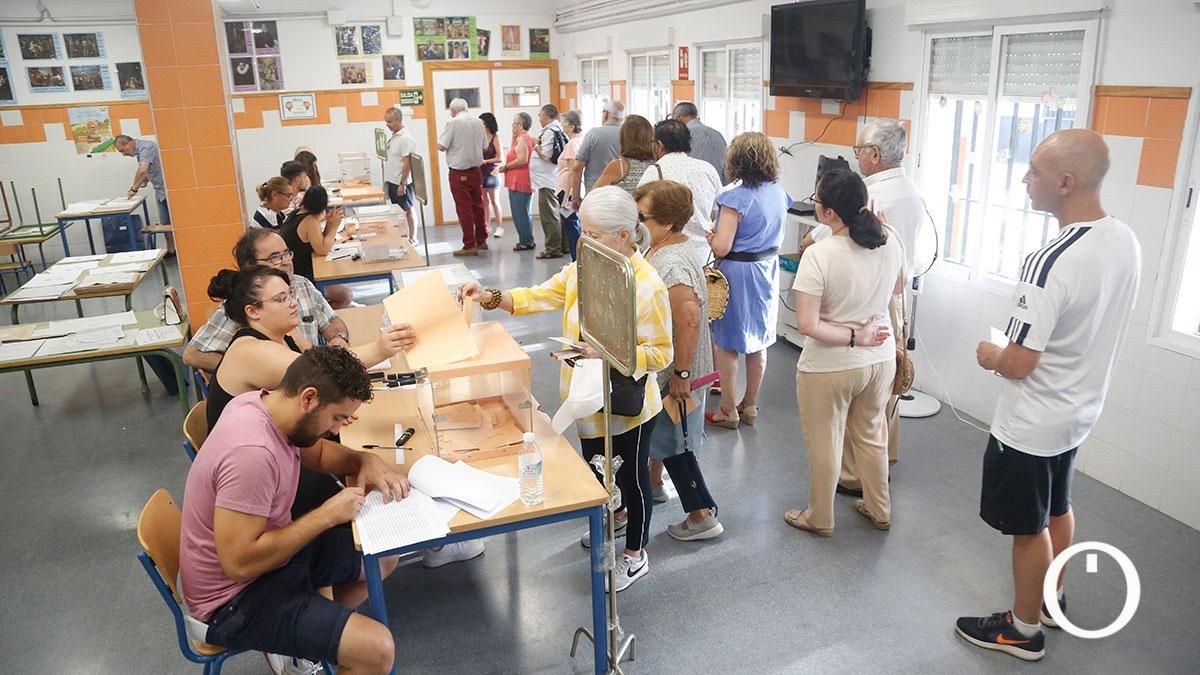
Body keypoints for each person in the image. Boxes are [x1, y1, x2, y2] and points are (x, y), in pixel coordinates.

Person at [955, 130, 1140, 662]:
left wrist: (991, 354)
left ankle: (1023, 629)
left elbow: (1017, 363)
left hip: (1032, 423)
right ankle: (1054, 596)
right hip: (1079, 411)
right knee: (1059, 506)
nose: (1024, 179)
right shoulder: (1123, 239)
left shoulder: (1048, 261)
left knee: (1027, 527)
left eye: (1033, 170)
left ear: (1065, 182)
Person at [462, 186, 673, 591]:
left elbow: (661, 354)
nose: (584, 242)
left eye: (593, 235)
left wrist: (613, 355)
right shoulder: (587, 266)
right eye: (584, 233)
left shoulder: (648, 287)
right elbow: (541, 295)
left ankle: (635, 553)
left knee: (631, 478)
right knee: (598, 471)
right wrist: (489, 296)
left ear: (624, 236)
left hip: (627, 403)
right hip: (586, 397)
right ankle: (608, 518)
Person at [180, 346, 406, 675]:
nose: (335, 428)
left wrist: (362, 459)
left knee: (382, 554)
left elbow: (317, 453)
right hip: (231, 600)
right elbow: (239, 564)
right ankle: (298, 641)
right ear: (309, 398)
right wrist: (327, 514)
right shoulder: (252, 454)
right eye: (337, 418)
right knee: (377, 650)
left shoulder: (264, 405)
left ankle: (299, 646)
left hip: (267, 564)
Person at [785, 167, 903, 539]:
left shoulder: (820, 254)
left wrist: (853, 337)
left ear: (829, 213)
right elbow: (898, 286)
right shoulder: (891, 239)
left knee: (827, 441)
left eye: (818, 201)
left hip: (831, 365)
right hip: (880, 360)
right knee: (871, 434)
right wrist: (865, 334)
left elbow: (807, 325)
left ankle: (820, 517)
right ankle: (879, 508)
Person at [822, 119, 927, 492]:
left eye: (858, 151)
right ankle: (884, 456)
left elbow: (828, 235)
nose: (857, 158)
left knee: (858, 393)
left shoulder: (867, 192)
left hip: (868, 300)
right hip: (898, 299)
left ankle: (852, 475)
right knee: (890, 382)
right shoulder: (912, 190)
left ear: (875, 155)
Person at [634, 180, 723, 541]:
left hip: (677, 370)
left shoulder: (671, 264)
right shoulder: (673, 245)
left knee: (675, 443)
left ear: (667, 223)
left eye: (643, 217)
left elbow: (688, 319)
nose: (637, 223)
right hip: (673, 366)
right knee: (665, 436)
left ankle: (702, 517)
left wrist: (681, 375)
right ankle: (654, 486)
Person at [705, 132, 791, 429]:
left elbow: (722, 247)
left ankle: (728, 409)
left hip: (737, 273)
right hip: (767, 269)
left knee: (727, 343)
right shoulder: (779, 193)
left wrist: (711, 236)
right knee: (759, 340)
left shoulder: (734, 198)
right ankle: (750, 404)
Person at [184, 229, 352, 375]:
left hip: (312, 375)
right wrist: (243, 372)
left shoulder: (302, 285)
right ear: (250, 266)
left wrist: (339, 339)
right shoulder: (242, 302)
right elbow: (193, 354)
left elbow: (331, 322)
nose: (286, 261)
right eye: (275, 258)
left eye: (287, 253)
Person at [637, 119, 721, 260]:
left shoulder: (655, 171)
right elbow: (718, 212)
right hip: (704, 255)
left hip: (668, 253)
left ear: (658, 145)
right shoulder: (707, 169)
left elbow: (639, 213)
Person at [281, 186, 353, 309]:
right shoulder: (310, 220)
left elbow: (319, 242)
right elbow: (322, 250)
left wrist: (329, 224)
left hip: (297, 269)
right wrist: (334, 226)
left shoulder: (296, 214)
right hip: (303, 276)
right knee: (346, 296)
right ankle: (321, 316)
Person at [438, 98, 488, 256]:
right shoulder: (479, 122)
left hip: (459, 173)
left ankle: (469, 245)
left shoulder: (452, 123)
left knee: (464, 209)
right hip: (476, 171)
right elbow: (485, 146)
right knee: (478, 206)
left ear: (453, 111)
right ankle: (481, 240)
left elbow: (441, 146)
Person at [114, 134, 174, 254]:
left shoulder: (146, 148)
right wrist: (143, 182)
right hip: (160, 190)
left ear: (128, 143)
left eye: (122, 150)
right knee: (165, 223)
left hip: (168, 190)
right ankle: (171, 250)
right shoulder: (140, 152)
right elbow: (148, 171)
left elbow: (143, 169)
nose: (124, 154)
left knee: (174, 224)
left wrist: (134, 188)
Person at [568, 100, 624, 209]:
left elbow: (577, 167)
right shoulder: (629, 135)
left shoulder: (593, 134)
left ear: (606, 114)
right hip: (621, 197)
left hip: (595, 196)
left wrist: (575, 197)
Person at [530, 104, 567, 259]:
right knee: (556, 214)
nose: (539, 119)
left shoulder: (550, 132)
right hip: (551, 179)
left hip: (546, 180)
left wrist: (535, 146)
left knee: (549, 216)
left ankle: (553, 248)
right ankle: (563, 245)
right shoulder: (557, 129)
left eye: (539, 115)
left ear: (546, 116)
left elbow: (546, 155)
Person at [496, 112, 536, 252]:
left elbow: (522, 160)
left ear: (520, 125)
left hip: (520, 181)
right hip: (517, 180)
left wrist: (506, 167)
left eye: (514, 123)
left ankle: (526, 241)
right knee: (522, 212)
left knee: (521, 213)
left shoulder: (523, 139)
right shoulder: (520, 138)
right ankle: (526, 239)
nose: (512, 126)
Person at [592, 115, 656, 196]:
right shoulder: (656, 165)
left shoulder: (619, 166)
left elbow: (593, 195)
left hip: (622, 208)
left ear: (623, 138)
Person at [383, 107, 417, 243]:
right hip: (392, 181)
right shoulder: (395, 136)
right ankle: (403, 238)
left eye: (390, 122)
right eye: (386, 121)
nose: (387, 125)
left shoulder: (405, 138)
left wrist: (402, 183)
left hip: (402, 183)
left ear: (398, 120)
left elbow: (407, 163)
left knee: (407, 210)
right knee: (398, 212)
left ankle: (412, 238)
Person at [671, 101, 727, 184]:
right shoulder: (717, 134)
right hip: (720, 188)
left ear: (678, 118)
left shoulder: (684, 136)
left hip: (696, 187)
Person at [556, 110, 584, 260]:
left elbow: (574, 169)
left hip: (567, 189)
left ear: (572, 126)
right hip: (570, 189)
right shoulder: (579, 140)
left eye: (564, 123)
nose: (562, 125)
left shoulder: (573, 143)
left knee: (571, 227)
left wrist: (568, 196)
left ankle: (576, 261)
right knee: (573, 225)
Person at [479, 112, 505, 238]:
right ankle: (486, 224)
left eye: (482, 123)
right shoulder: (480, 137)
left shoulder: (495, 137)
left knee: (495, 200)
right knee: (484, 201)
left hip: (492, 172)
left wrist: (486, 161)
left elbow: (500, 157)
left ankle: (499, 226)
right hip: (481, 172)